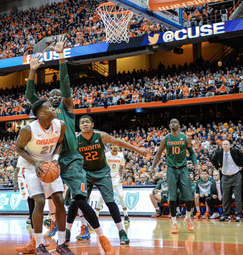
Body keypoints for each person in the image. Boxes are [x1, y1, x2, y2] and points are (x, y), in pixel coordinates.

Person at [25, 36, 114, 255]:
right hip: (51, 160)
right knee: (37, 201)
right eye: (51, 95)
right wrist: (33, 71)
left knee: (80, 200)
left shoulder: (68, 109)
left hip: (72, 159)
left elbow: (65, 84)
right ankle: (36, 242)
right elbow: (29, 95)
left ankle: (102, 237)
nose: (55, 97)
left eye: (58, 95)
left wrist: (61, 56)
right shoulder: (45, 114)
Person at [76, 115, 149, 244]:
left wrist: (138, 150)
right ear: (79, 126)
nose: (85, 124)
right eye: (82, 123)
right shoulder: (76, 140)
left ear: (92, 124)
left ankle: (122, 231)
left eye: (87, 122)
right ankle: (78, 229)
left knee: (110, 202)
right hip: (85, 173)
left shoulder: (101, 136)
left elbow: (119, 142)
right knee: (79, 201)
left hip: (102, 172)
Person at [15, 99, 73, 255]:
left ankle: (61, 243)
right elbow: (18, 148)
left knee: (60, 200)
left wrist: (55, 159)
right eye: (48, 107)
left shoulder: (60, 125)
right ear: (40, 114)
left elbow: (60, 144)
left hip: (49, 164)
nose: (52, 108)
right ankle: (39, 244)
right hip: (30, 166)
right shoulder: (28, 129)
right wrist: (35, 162)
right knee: (39, 201)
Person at [151, 118, 197, 234]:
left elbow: (191, 153)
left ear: (179, 125)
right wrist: (152, 167)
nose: (172, 124)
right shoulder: (165, 139)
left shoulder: (185, 138)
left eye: (175, 122)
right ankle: (174, 222)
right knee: (172, 196)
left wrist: (196, 164)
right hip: (171, 169)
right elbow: (158, 154)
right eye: (171, 122)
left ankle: (187, 217)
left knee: (188, 195)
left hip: (183, 169)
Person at [211, 140, 243, 222]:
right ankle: (225, 214)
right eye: (223, 144)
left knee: (238, 196)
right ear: (222, 146)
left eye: (227, 144)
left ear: (230, 146)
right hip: (225, 176)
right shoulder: (219, 153)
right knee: (226, 197)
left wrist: (242, 166)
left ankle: (238, 215)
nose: (225, 145)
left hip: (236, 176)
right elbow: (212, 160)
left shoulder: (235, 151)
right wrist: (218, 167)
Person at [95, 145, 130, 223]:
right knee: (101, 197)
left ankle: (126, 215)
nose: (115, 147)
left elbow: (121, 167)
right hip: (107, 178)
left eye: (116, 146)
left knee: (121, 196)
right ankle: (96, 216)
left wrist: (122, 176)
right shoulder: (106, 155)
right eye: (113, 146)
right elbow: (101, 166)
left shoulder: (120, 155)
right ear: (111, 147)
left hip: (116, 178)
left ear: (118, 147)